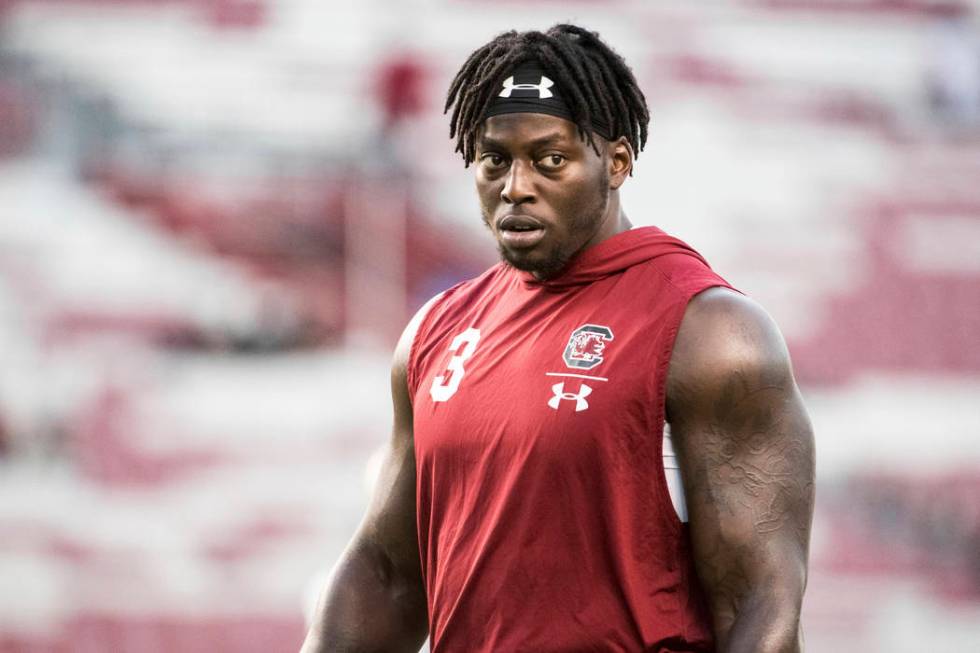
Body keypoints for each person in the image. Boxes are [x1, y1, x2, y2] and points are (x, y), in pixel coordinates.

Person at [301, 24, 815, 653]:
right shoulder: (436, 331)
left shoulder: (710, 332)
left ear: (617, 161)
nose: (516, 186)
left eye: (550, 161)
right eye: (495, 160)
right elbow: (386, 574)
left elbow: (762, 605)